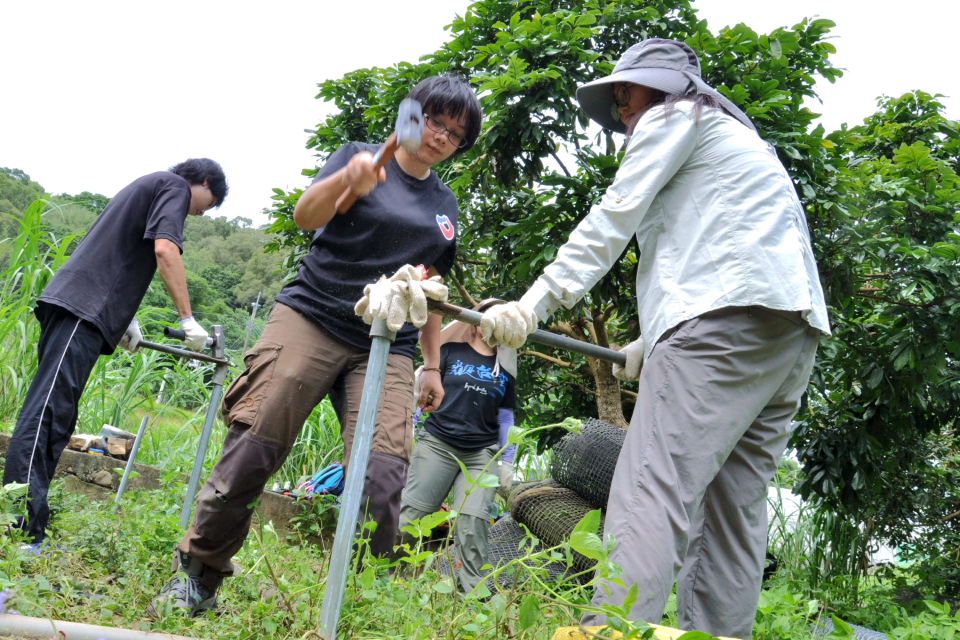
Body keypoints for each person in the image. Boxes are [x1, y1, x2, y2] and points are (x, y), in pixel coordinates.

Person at [479, 39, 830, 639]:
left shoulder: (676, 114)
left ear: (666, 86)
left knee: (649, 490)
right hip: (787, 335)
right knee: (731, 514)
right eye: (616, 97)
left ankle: (607, 632)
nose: (621, 108)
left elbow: (615, 214)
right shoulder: (738, 142)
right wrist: (650, 336)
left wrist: (532, 303)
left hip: (720, 328)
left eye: (628, 91)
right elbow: (719, 245)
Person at [151, 75, 483, 617]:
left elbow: (430, 293)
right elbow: (306, 217)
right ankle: (198, 575)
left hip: (388, 342)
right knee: (255, 444)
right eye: (433, 120)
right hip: (313, 316)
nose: (439, 136)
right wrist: (347, 183)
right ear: (411, 114)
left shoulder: (444, 210)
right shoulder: (358, 158)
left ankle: (366, 602)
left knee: (383, 475)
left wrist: (431, 365)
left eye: (455, 132)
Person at [4, 159, 228, 553]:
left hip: (83, 309)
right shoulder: (174, 185)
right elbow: (165, 250)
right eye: (205, 205)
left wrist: (126, 317)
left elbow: (116, 255)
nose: (198, 213)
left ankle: (31, 527)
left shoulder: (143, 188)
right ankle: (17, 529)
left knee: (58, 417)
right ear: (205, 181)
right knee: (46, 415)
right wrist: (187, 318)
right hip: (81, 310)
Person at [398, 299, 517, 594]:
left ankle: (472, 594)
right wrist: (408, 429)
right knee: (412, 515)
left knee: (472, 522)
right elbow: (422, 394)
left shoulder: (506, 372)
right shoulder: (448, 353)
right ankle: (386, 577)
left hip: (481, 453)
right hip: (437, 444)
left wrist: (508, 462)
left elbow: (505, 419)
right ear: (475, 323)